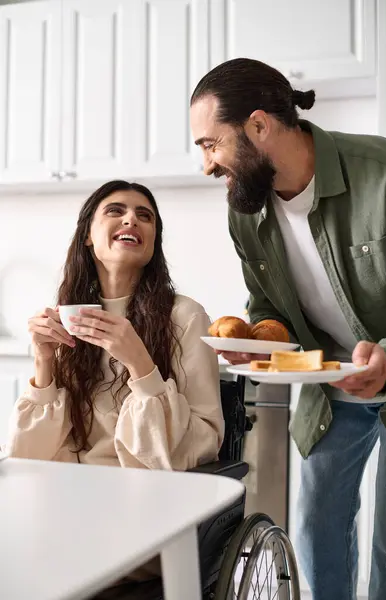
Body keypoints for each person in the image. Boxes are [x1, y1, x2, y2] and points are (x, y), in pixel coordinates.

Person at [190, 57, 386, 600]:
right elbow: (267, 306)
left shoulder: (385, 175)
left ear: (259, 126)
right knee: (314, 529)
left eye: (211, 144)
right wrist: (260, 341)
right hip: (330, 382)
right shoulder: (245, 211)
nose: (207, 165)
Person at [4, 179, 224, 585]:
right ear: (88, 235)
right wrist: (43, 360)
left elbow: (205, 437)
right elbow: (29, 457)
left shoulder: (186, 317)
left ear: (154, 241)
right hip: (70, 505)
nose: (131, 219)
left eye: (145, 216)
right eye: (116, 210)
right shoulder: (70, 319)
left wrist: (139, 363)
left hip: (145, 510)